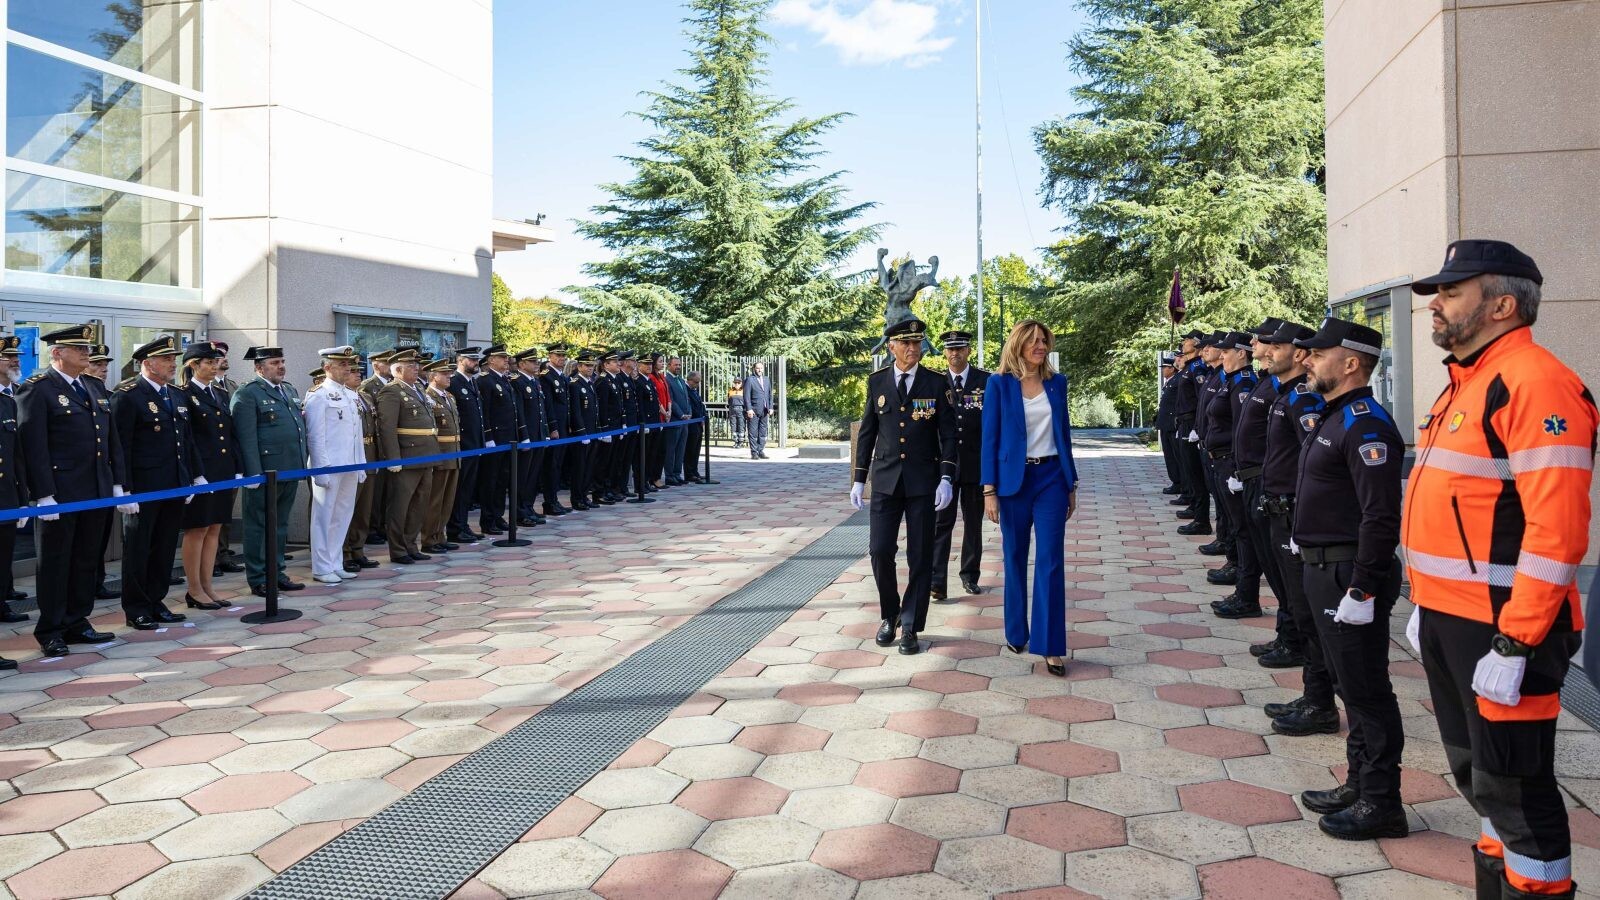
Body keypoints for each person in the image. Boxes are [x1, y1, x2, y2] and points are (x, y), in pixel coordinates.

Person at [1402, 240, 1596, 898]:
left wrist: (1516, 641)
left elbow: (1558, 530)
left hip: (1502, 625)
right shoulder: (1467, 381)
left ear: (1503, 305)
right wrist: (1427, 604)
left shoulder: (1536, 382)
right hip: (1455, 618)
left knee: (1517, 791)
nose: (1436, 302)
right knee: (1481, 781)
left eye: (1454, 291)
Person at [1291, 317, 1408, 841]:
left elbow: (1379, 516)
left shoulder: (1366, 424)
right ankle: (1360, 782)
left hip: (1346, 574)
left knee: (1367, 690)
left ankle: (1382, 801)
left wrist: (1362, 588)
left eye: (1319, 353)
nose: (1308, 360)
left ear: (1352, 362)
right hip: (1322, 567)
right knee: (1347, 684)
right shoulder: (1335, 417)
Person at [1249, 321, 1338, 738]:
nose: (1265, 351)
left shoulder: (1302, 399)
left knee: (1306, 609)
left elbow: (1311, 462)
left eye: (1275, 346)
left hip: (1294, 514)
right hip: (1278, 507)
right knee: (1295, 602)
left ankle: (1320, 702)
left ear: (1298, 355)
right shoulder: (1285, 393)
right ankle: (1313, 695)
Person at [849, 317, 958, 656]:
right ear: (892, 346)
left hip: (923, 482)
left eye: (918, 343)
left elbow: (949, 435)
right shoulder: (877, 381)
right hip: (885, 480)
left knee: (920, 555)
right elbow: (868, 432)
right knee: (880, 550)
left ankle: (910, 624)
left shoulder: (936, 382)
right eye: (906, 343)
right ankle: (890, 613)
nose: (914, 349)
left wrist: (946, 477)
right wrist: (858, 478)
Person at [979, 320, 1080, 676]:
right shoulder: (999, 384)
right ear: (1018, 345)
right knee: (1015, 556)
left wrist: (1071, 483)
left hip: (1051, 478)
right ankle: (1016, 631)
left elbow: (1063, 435)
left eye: (1044, 341)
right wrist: (988, 490)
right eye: (1034, 341)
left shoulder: (1058, 383)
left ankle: (1051, 645)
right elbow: (988, 440)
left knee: (1051, 560)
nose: (1041, 346)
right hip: (1012, 484)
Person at [18, 325, 125, 655]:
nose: (85, 353)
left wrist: (118, 482)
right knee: (55, 562)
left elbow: (111, 440)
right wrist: (43, 493)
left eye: (86, 348)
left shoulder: (93, 386)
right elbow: (32, 445)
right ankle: (51, 629)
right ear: (56, 353)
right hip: (60, 492)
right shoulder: (37, 389)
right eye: (77, 348)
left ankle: (78, 620)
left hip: (95, 488)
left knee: (85, 558)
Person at [110, 335, 202, 630]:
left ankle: (156, 600)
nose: (172, 364)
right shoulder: (127, 395)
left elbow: (185, 441)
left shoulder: (175, 394)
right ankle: (136, 607)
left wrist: (190, 478)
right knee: (139, 549)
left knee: (163, 547)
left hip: (173, 484)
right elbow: (120, 446)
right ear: (147, 363)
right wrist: (123, 489)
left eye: (173, 359)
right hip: (143, 487)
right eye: (166, 360)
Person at [231, 346, 309, 597]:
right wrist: (253, 473)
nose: (281, 366)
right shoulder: (248, 393)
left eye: (282, 361)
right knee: (258, 525)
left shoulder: (288, 390)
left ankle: (277, 572)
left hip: (288, 469)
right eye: (275, 362)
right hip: (264, 472)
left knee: (280, 525)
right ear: (259, 367)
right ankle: (258, 577)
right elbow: (246, 437)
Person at [176, 342, 238, 611]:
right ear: (193, 365)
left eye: (216, 363)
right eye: (209, 363)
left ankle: (207, 586)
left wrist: (236, 466)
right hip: (201, 473)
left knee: (214, 528)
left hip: (221, 470)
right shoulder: (183, 395)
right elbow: (187, 440)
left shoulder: (219, 393)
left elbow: (229, 433)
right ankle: (194, 589)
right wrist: (195, 474)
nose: (215, 367)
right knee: (198, 529)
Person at [1208, 331, 1266, 619]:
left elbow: (1243, 432)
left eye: (1226, 351)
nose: (1221, 355)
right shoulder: (1230, 380)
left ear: (1241, 353)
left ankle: (1247, 595)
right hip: (1222, 463)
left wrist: (1235, 468)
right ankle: (1243, 590)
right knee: (1236, 528)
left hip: (1234, 466)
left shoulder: (1244, 383)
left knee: (1244, 532)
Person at [932, 330, 990, 600]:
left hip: (974, 465)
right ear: (945, 352)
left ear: (968, 351)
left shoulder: (985, 381)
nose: (955, 353)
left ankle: (969, 575)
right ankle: (937, 581)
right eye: (950, 349)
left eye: (960, 348)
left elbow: (991, 426)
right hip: (943, 468)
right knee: (941, 525)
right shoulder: (935, 382)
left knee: (973, 524)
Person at [303, 345, 367, 585]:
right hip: (330, 466)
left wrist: (360, 464)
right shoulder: (318, 395)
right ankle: (321, 567)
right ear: (327, 367)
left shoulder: (351, 394)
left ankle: (335, 562)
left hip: (349, 464)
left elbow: (355, 434)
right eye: (341, 364)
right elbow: (315, 436)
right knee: (323, 517)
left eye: (347, 364)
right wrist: (320, 469)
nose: (347, 368)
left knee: (342, 515)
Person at [377, 349, 440, 564]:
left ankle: (411, 544)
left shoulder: (418, 388)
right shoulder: (392, 391)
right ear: (398, 369)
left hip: (425, 455)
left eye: (416, 365)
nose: (416, 368)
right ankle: (398, 550)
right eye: (411, 365)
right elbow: (387, 428)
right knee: (400, 505)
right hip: (406, 456)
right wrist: (393, 459)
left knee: (419, 503)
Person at [84, 344, 120, 601]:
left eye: (105, 365)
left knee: (100, 536)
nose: (103, 369)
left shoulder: (107, 395)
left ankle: (97, 581)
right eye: (96, 364)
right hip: (79, 480)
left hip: (103, 477)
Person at [342, 366, 382, 575]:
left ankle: (358, 548)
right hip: (351, 454)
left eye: (359, 371)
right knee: (349, 506)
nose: (358, 374)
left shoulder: (364, 396)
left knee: (364, 507)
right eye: (353, 371)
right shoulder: (339, 396)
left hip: (369, 454)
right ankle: (345, 551)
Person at [0, 336, 28, 629]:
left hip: (7, 492)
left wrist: (22, 495)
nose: (15, 361)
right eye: (8, 356)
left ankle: (2, 602)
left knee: (4, 553)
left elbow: (18, 454)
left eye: (16, 356)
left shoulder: (16, 396)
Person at [1171, 330, 1211, 532]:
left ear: (1195, 344)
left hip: (1192, 423)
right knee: (1188, 468)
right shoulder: (1188, 367)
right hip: (1184, 422)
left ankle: (1201, 517)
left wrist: (1197, 426)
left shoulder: (1197, 368)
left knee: (1195, 472)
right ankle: (1195, 507)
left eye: (1186, 340)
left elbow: (1201, 399)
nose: (1183, 343)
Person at [476, 345, 518, 533]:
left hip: (508, 438)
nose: (506, 361)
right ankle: (488, 520)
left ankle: (498, 515)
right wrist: (488, 436)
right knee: (490, 481)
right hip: (495, 439)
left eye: (506, 357)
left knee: (503, 480)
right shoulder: (486, 381)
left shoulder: (504, 380)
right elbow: (485, 412)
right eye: (502, 358)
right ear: (491, 360)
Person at [422, 358, 461, 553]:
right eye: (444, 374)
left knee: (447, 499)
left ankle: (440, 535)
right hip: (440, 454)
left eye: (449, 373)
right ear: (433, 376)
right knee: (435, 499)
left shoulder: (449, 396)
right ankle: (429, 538)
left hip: (454, 453)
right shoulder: (427, 396)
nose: (449, 377)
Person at [447, 348, 486, 542]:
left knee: (468, 488)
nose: (475, 363)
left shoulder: (471, 383)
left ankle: (463, 525)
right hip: (463, 444)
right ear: (460, 360)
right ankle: (455, 528)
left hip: (475, 443)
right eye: (471, 360)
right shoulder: (454, 383)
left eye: (476, 360)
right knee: (459, 489)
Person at [360, 348, 397, 546]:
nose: (390, 367)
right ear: (376, 365)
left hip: (387, 445)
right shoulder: (367, 387)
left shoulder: (392, 386)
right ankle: (372, 528)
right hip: (373, 446)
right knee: (375, 492)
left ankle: (382, 524)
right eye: (386, 363)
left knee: (386, 490)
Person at [512, 349, 548, 526]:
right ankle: (520, 511)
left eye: (536, 361)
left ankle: (529, 506)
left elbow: (541, 410)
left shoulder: (535, 381)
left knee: (534, 474)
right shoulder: (517, 382)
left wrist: (545, 432)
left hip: (538, 435)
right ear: (521, 364)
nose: (536, 364)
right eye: (532, 361)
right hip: (527, 437)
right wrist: (524, 435)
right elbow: (519, 412)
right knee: (523, 476)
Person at [539, 344, 573, 516]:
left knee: (558, 464)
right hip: (556, 428)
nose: (562, 358)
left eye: (563, 355)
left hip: (564, 427)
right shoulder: (546, 377)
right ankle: (549, 501)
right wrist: (553, 426)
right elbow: (549, 405)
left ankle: (554, 500)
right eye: (558, 355)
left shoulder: (562, 377)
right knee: (551, 465)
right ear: (550, 356)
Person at [566, 349, 600, 509]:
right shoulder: (575, 384)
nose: (590, 368)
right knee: (579, 467)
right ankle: (577, 498)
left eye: (592, 366)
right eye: (587, 365)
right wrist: (581, 431)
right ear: (579, 366)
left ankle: (584, 495)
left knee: (589, 466)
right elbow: (575, 411)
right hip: (582, 432)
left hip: (592, 430)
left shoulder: (589, 383)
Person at [593, 351, 625, 502]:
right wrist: (604, 429)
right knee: (603, 462)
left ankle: (609, 489)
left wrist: (622, 423)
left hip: (616, 426)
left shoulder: (614, 379)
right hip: (608, 428)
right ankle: (599, 492)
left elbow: (619, 404)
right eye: (614, 361)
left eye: (618, 361)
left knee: (613, 461)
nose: (619, 363)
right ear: (606, 365)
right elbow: (603, 407)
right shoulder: (603, 381)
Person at [1155, 351, 1183, 495]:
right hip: (1166, 424)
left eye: (1165, 367)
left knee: (1175, 456)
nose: (1162, 370)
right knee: (1169, 456)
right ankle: (1176, 481)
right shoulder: (1171, 382)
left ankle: (1179, 482)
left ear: (1172, 368)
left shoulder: (1177, 380)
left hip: (1172, 425)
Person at [664, 356, 692, 485]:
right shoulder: (667, 380)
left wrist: (689, 412)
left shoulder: (680, 380)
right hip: (675, 419)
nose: (678, 367)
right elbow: (671, 400)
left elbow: (686, 398)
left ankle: (677, 473)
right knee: (671, 448)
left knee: (681, 448)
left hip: (685, 420)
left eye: (679, 365)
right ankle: (669, 475)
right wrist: (680, 414)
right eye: (675, 365)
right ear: (669, 365)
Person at [645, 353, 671, 487]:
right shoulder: (651, 378)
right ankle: (652, 478)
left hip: (665, 416)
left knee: (662, 449)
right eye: (660, 361)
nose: (663, 364)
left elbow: (667, 395)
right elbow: (656, 398)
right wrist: (664, 412)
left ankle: (657, 476)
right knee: (654, 450)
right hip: (658, 417)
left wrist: (669, 410)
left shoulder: (662, 377)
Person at [744, 361, 774, 459]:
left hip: (765, 410)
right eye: (757, 368)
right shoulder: (750, 380)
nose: (759, 370)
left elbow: (769, 394)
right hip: (753, 410)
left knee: (763, 432)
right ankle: (754, 453)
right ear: (754, 369)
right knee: (753, 432)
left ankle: (760, 450)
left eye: (761, 368)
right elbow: (746, 396)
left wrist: (770, 407)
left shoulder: (766, 380)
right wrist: (749, 409)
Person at [684, 371, 707, 482]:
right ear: (689, 380)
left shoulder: (694, 390)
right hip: (691, 423)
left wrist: (703, 416)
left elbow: (700, 404)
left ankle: (695, 471)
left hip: (698, 423)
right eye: (696, 382)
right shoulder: (686, 390)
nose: (697, 384)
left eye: (699, 382)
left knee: (696, 449)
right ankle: (689, 473)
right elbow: (690, 407)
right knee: (690, 450)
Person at [728, 377, 747, 448]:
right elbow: (729, 401)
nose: (737, 384)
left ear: (741, 384)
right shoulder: (730, 391)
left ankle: (741, 442)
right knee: (733, 425)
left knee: (741, 425)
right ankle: (735, 441)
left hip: (741, 409)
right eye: (735, 382)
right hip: (732, 409)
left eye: (738, 383)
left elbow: (746, 401)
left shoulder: (744, 391)